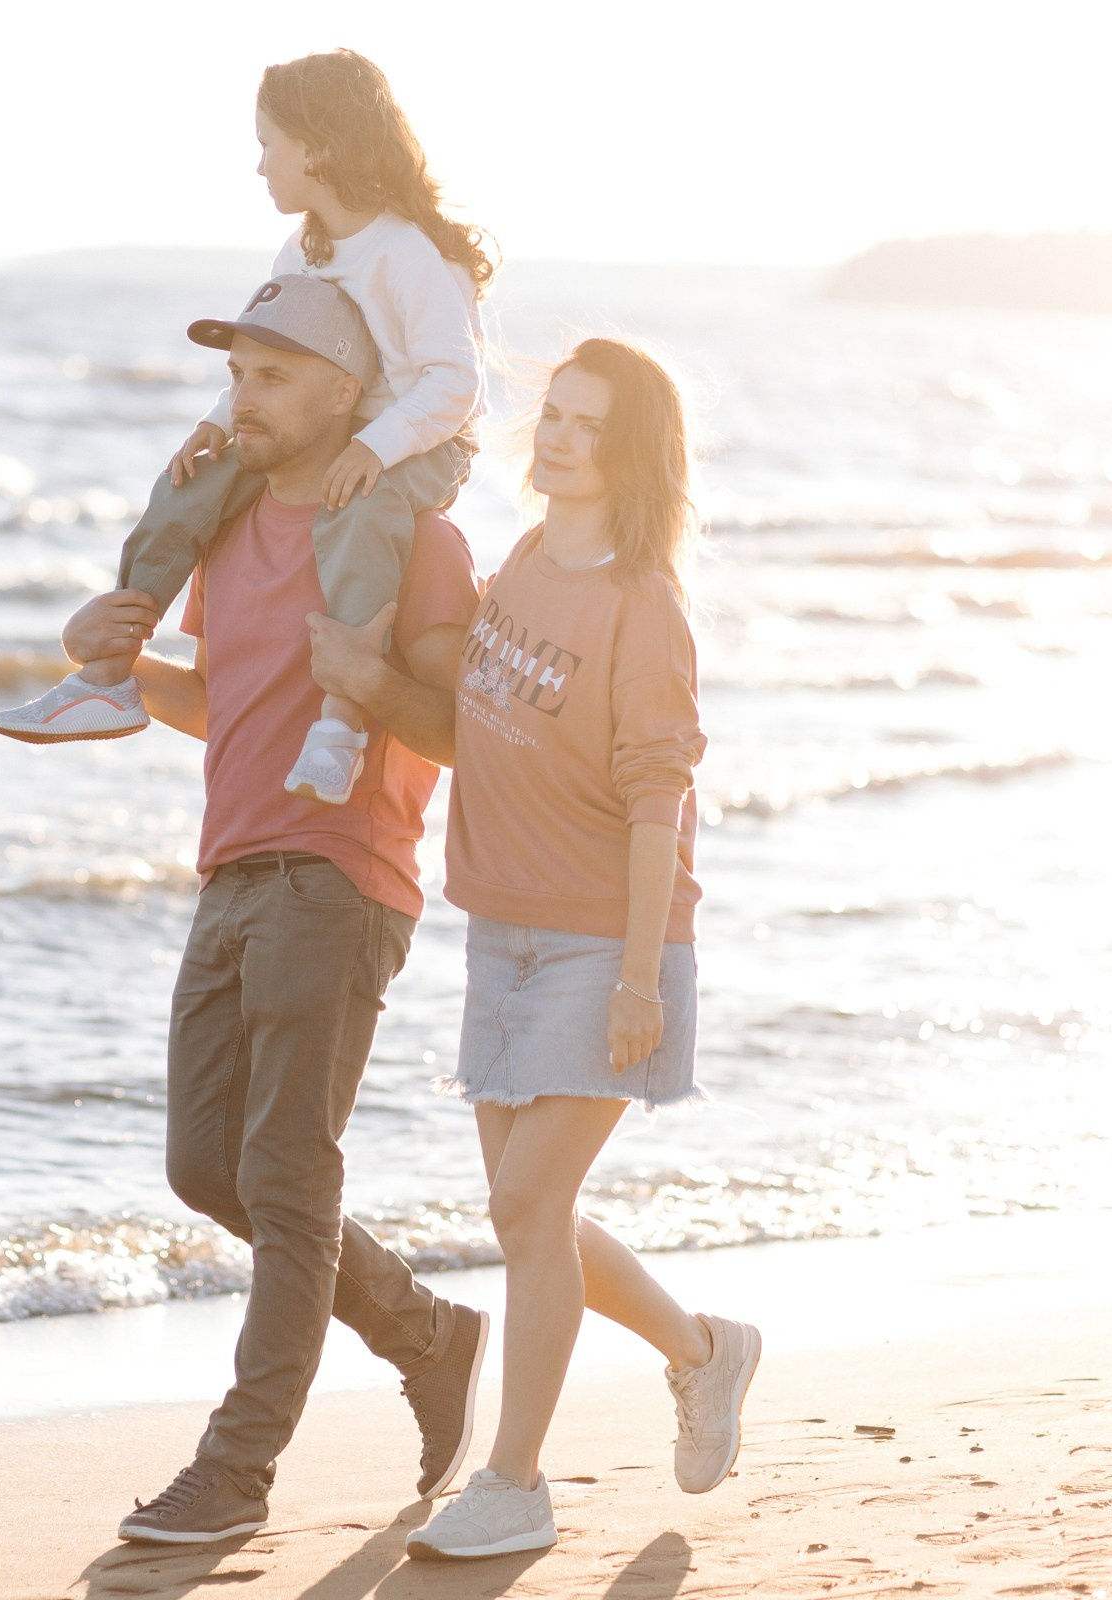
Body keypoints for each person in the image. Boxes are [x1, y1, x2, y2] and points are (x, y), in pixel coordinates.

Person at [305, 338, 762, 1562]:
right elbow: (481, 733)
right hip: (498, 934)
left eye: (587, 424)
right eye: (552, 413)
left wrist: (633, 979)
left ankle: (515, 1482)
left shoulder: (643, 607)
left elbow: (660, 798)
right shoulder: (518, 562)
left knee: (524, 1200)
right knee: (532, 1217)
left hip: (602, 947)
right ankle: (706, 1352)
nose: (556, 435)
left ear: (630, 455)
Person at [57, 279, 491, 1545]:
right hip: (232, 867)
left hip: (343, 870)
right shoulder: (232, 520)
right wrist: (115, 660)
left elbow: (459, 729)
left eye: (273, 377)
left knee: (287, 1175)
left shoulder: (414, 536)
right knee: (211, 1166)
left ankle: (235, 1472)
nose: (241, 398)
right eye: (236, 373)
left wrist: (368, 684)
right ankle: (430, 1333)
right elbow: (229, 695)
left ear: (347, 397)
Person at [0, 48, 489, 808]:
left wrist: (373, 446)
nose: (260, 167)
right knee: (189, 487)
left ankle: (340, 723)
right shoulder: (307, 246)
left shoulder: (403, 253)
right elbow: (276, 354)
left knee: (364, 508)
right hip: (336, 425)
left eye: (268, 145)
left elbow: (456, 382)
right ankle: (108, 676)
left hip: (423, 435)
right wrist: (215, 423)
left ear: (317, 149)